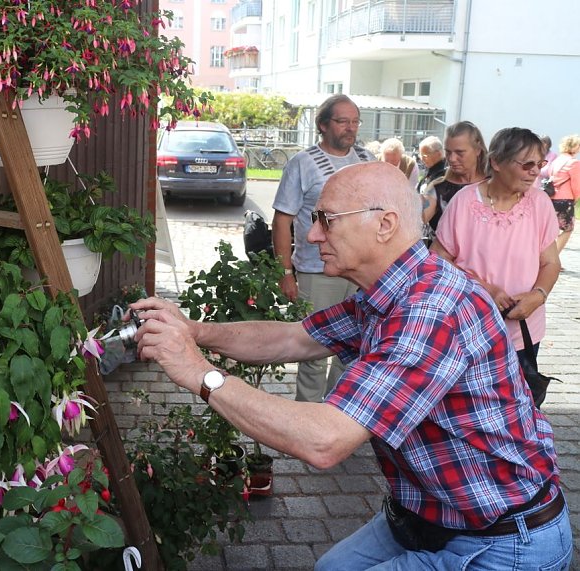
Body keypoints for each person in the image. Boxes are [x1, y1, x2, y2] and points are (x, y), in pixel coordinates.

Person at [130, 162, 572, 570]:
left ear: (385, 224)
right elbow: (291, 337)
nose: (312, 235)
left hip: (498, 542)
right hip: (428, 517)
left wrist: (196, 372)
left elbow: (326, 441)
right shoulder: (388, 292)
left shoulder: (430, 309)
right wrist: (196, 332)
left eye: (327, 219)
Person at [430, 128, 560, 392]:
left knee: (518, 406)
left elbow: (550, 262)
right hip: (469, 328)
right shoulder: (464, 201)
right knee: (469, 408)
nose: (535, 171)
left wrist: (538, 295)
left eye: (539, 164)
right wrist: (485, 290)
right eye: (526, 164)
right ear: (497, 162)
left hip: (523, 329)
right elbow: (437, 260)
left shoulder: (540, 203)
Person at [271, 94, 374, 403]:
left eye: (355, 121)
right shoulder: (303, 163)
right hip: (318, 272)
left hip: (360, 272)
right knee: (314, 352)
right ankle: (307, 417)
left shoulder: (367, 161)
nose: (351, 128)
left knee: (353, 351)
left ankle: (335, 414)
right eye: (343, 121)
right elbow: (281, 221)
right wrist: (285, 272)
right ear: (323, 125)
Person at [421, 121, 488, 234]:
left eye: (459, 152)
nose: (451, 158)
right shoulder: (439, 188)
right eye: (448, 152)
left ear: (478, 150)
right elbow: (416, 221)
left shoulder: (494, 185)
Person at [545, 134, 580, 254]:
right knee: (568, 229)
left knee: (552, 230)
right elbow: (577, 185)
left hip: (551, 199)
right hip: (565, 200)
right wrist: (576, 198)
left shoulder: (556, 161)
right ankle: (553, 256)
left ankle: (547, 256)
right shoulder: (574, 163)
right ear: (574, 147)